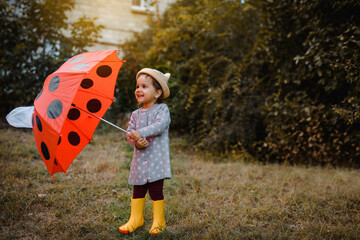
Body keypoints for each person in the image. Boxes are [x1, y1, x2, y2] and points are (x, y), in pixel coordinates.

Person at [119, 68, 171, 235]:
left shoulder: (162, 110)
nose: (139, 90)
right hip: (140, 159)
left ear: (157, 93)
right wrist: (136, 142)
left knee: (156, 189)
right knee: (138, 189)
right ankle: (136, 218)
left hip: (157, 159)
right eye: (137, 86)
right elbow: (130, 133)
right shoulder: (135, 114)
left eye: (144, 86)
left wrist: (141, 133)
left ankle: (159, 221)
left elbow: (160, 125)